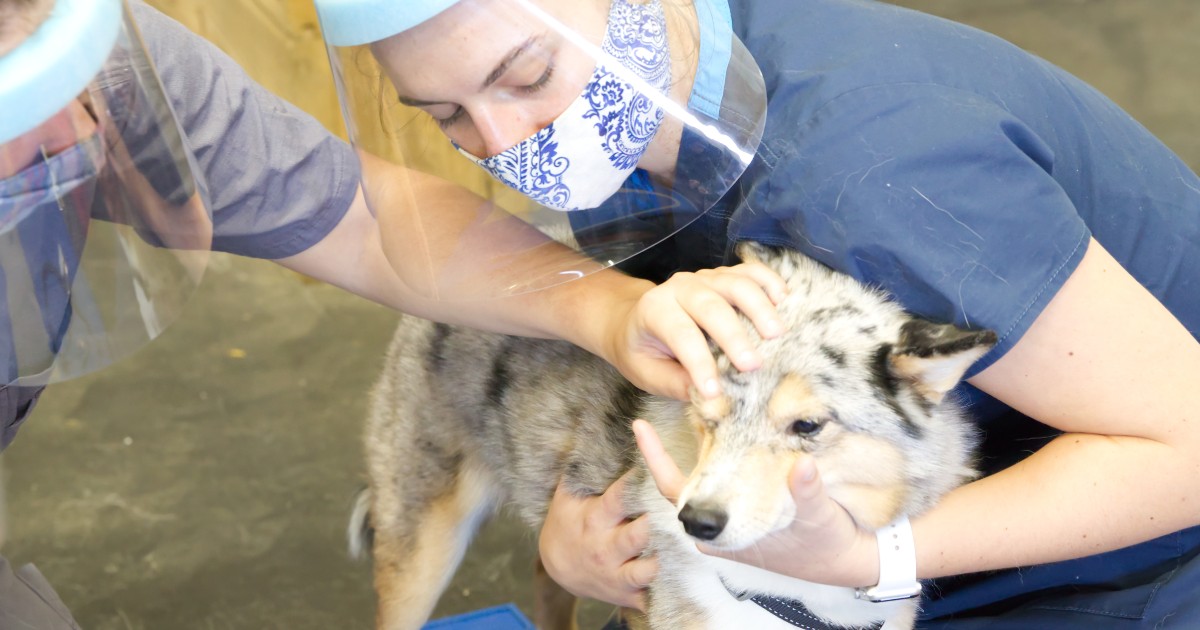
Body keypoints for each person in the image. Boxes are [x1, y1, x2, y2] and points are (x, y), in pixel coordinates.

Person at [313, 0, 1200, 627]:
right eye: (445, 116)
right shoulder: (643, 107)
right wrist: (592, 532)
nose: (505, 145)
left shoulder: (878, 182)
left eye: (527, 76)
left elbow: (1188, 447)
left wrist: (873, 563)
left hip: (1129, 549)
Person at [0, 0, 789, 627]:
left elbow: (360, 217)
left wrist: (613, 310)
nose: (73, 131)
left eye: (68, 87)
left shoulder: (103, 57)